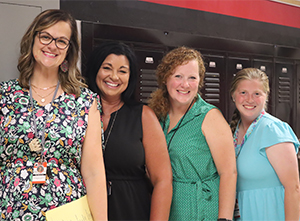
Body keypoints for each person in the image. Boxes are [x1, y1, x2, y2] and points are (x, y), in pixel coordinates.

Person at [0, 9, 107, 220]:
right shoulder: (5, 95)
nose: (52, 46)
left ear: (69, 50)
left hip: (67, 212)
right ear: (33, 39)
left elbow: (94, 173)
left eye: (61, 41)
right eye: (46, 36)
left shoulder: (85, 101)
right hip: (11, 210)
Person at [86, 41, 173, 220]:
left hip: (132, 209)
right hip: (85, 209)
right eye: (107, 68)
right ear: (95, 70)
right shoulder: (77, 111)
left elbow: (162, 180)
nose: (114, 77)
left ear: (131, 76)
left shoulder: (143, 115)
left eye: (122, 71)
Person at [148, 46, 237, 221]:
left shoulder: (210, 116)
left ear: (200, 81)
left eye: (192, 78)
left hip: (203, 211)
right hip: (168, 209)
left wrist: (224, 219)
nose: (185, 84)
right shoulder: (156, 115)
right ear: (166, 78)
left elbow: (229, 172)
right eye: (178, 76)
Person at [229, 68, 300, 220]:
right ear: (233, 95)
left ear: (266, 96)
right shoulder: (233, 131)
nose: (249, 99)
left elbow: (293, 188)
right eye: (243, 93)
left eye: (257, 94)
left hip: (270, 214)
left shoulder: (272, 129)